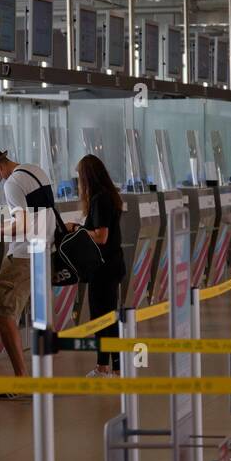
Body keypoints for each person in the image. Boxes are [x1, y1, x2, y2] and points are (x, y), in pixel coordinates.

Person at [0, 146, 55, 400]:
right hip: (43, 250)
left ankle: (23, 379)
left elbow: (22, 225)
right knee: (37, 315)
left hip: (23, 255)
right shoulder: (35, 170)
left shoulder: (12, 183)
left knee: (3, 313)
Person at [69, 154, 126, 377]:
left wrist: (76, 229)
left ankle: (111, 367)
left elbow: (101, 236)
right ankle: (108, 366)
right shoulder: (109, 196)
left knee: (104, 319)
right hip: (112, 264)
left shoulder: (99, 200)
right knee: (105, 317)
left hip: (104, 268)